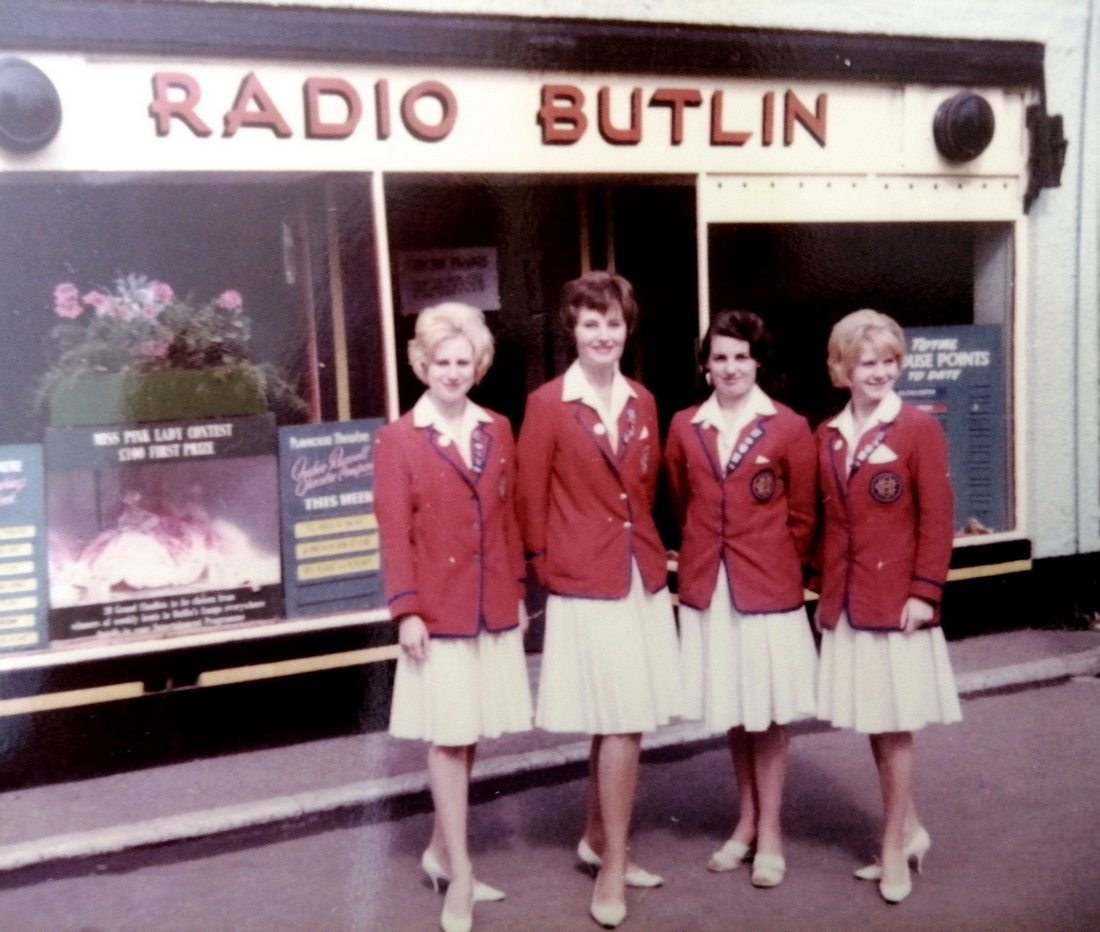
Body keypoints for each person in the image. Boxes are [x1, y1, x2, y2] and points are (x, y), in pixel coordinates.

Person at [516, 270, 682, 929]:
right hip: (585, 579)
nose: (603, 334)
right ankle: (613, 862)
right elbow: (530, 495)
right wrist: (546, 567)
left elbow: (644, 490)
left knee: (623, 719)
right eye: (591, 323)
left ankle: (597, 838)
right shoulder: (548, 403)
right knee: (618, 719)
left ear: (626, 328)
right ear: (573, 329)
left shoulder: (644, 400)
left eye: (613, 323)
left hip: (639, 575)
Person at [374, 302, 532, 932]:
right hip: (436, 609)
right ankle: (461, 872)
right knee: (447, 733)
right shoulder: (398, 439)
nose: (452, 372)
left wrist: (516, 592)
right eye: (441, 361)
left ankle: (441, 851)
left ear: (479, 366)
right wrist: (406, 611)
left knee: (469, 730)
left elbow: (507, 518)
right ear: (422, 365)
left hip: (489, 602)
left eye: (463, 362)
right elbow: (394, 534)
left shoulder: (498, 428)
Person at [811, 308, 962, 905]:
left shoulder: (917, 427)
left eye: (888, 361)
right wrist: (823, 592)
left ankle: (893, 846)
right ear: (842, 370)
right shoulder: (828, 434)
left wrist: (925, 591)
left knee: (895, 725)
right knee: (876, 718)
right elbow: (831, 522)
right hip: (849, 599)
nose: (879, 372)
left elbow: (937, 517)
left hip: (899, 601)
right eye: (866, 362)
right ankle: (910, 827)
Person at [664, 310, 818, 890]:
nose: (730, 368)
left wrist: (773, 562)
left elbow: (803, 517)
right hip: (712, 588)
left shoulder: (789, 426)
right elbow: (681, 502)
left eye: (741, 357)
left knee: (768, 711)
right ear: (706, 365)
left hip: (766, 587)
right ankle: (746, 821)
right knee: (733, 705)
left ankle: (771, 833)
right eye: (720, 357)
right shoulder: (685, 425)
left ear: (758, 363)